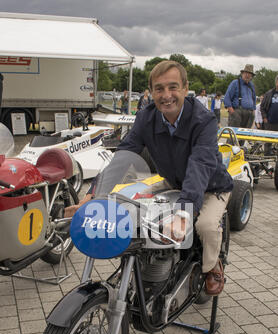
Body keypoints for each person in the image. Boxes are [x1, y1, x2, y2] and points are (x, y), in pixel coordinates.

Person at [66, 61, 233, 296]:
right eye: (159, 88)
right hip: (173, 181)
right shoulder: (146, 116)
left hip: (211, 187)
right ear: (151, 92)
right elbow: (124, 154)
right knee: (126, 201)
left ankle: (212, 265)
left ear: (185, 88)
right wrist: (93, 196)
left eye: (173, 87)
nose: (166, 95)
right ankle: (148, 264)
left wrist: (184, 214)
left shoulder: (203, 120)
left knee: (204, 226)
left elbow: (200, 165)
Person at [224, 64, 256, 129]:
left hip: (249, 115)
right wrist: (232, 112)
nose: (247, 75)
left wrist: (253, 111)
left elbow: (254, 99)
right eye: (246, 73)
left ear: (251, 76)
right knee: (233, 137)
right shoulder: (235, 83)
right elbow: (227, 98)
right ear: (242, 74)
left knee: (244, 136)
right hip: (237, 112)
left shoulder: (251, 86)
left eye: (249, 74)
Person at [261, 75, 278, 155]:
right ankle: (266, 162)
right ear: (276, 82)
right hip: (270, 123)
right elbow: (262, 106)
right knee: (268, 143)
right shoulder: (269, 93)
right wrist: (264, 117)